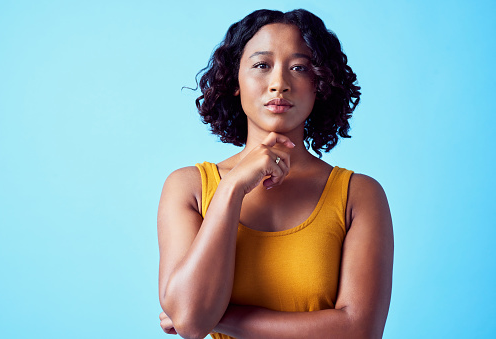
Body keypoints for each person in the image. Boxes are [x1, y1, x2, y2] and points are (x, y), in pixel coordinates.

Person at [157, 9, 393, 339]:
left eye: (299, 68)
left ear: (320, 83)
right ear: (235, 81)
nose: (279, 84)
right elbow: (189, 322)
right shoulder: (189, 188)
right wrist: (234, 186)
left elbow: (359, 331)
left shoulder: (359, 195)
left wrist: (219, 317)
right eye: (261, 65)